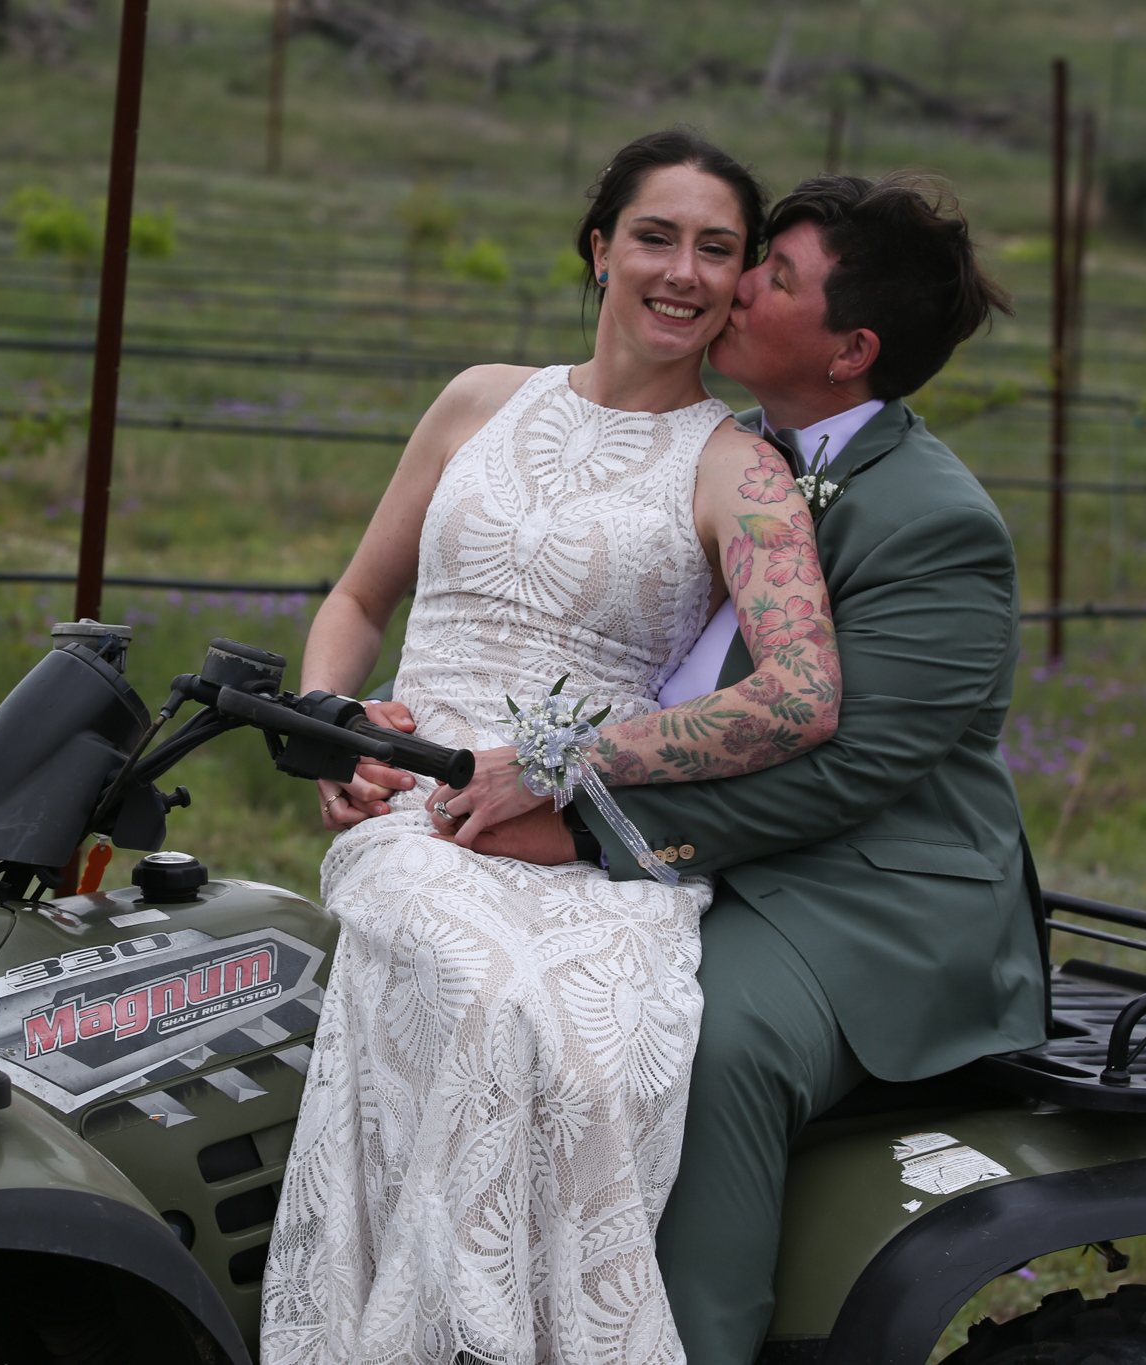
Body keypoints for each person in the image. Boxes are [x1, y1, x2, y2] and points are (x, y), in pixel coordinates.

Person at [423, 174, 1047, 1365]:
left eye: (768, 275)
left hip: (865, 896)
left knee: (696, 1039)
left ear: (848, 350)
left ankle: (692, 1341)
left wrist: (590, 832)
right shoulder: (722, 455)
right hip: (694, 831)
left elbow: (847, 772)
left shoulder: (935, 523)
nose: (728, 282)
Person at [258, 130, 842, 1365]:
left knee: (586, 1046)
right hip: (418, 812)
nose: (680, 271)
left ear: (739, 279)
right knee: (476, 985)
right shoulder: (480, 399)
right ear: (598, 249)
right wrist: (332, 726)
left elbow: (800, 696)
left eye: (716, 249)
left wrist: (572, 762)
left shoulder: (738, 468)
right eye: (653, 236)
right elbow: (357, 601)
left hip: (585, 840)